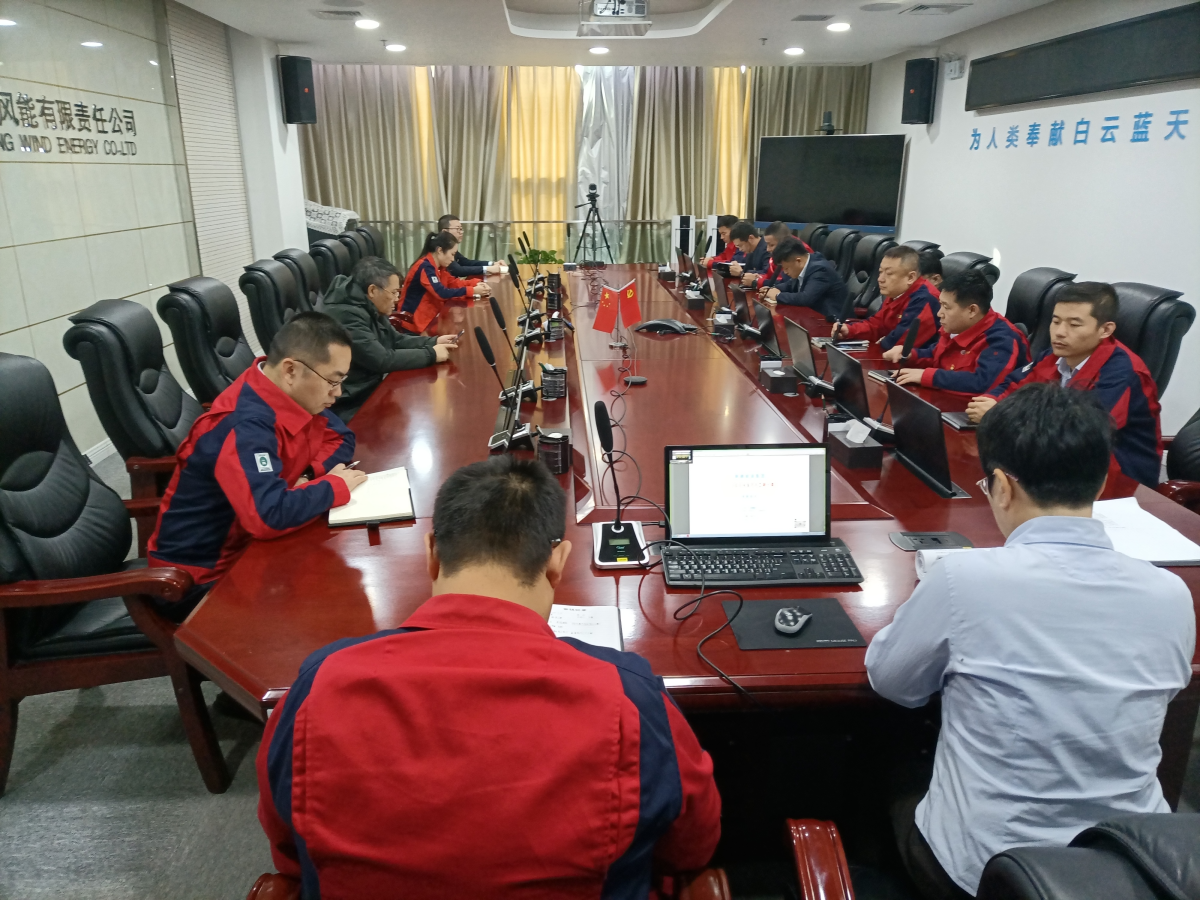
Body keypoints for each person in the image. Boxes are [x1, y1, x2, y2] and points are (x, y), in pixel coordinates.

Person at [257, 455, 722, 897]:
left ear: (432, 552)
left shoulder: (319, 685)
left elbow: (290, 851)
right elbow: (691, 846)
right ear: (557, 563)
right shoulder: (627, 696)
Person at [866, 383, 1194, 898]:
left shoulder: (963, 579)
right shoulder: (1171, 592)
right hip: (1130, 859)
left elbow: (893, 684)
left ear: (1001, 486)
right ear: (1101, 479)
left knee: (894, 762)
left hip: (991, 868)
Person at [147, 313, 367, 620]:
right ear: (290, 370)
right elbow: (269, 516)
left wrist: (308, 475)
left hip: (249, 548)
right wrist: (333, 487)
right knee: (327, 612)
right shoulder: (245, 426)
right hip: (198, 579)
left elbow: (341, 437)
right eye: (333, 380)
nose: (338, 392)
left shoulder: (291, 393)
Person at [966, 282, 1162, 496]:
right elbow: (1011, 384)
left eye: (1074, 325)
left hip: (1114, 482)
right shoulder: (1054, 355)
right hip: (1051, 463)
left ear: (1105, 330)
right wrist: (990, 402)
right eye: (1056, 321)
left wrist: (999, 415)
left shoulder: (1124, 373)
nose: (1059, 332)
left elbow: (1081, 433)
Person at [322, 256, 460, 421]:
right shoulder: (346, 315)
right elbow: (381, 360)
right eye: (394, 293)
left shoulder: (366, 303)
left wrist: (434, 341)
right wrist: (431, 354)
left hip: (371, 384)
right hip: (352, 399)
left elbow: (396, 340)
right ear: (373, 291)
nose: (397, 299)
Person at [895, 269, 1028, 395]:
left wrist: (928, 376)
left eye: (946, 307)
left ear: (972, 310)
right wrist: (910, 355)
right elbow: (937, 354)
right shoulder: (957, 326)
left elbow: (982, 383)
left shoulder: (1003, 340)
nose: (939, 313)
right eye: (940, 304)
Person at [835, 245, 940, 354]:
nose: (880, 279)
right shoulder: (897, 291)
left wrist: (879, 344)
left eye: (889, 273)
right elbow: (878, 324)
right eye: (880, 272)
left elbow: (899, 343)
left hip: (913, 362)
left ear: (910, 277)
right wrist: (849, 330)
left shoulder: (925, 299)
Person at [395, 231, 490, 335]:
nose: (453, 259)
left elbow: (452, 283)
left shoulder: (439, 267)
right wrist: (472, 291)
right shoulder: (425, 267)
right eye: (452, 254)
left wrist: (475, 283)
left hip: (429, 320)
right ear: (440, 250)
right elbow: (441, 293)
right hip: (412, 324)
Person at [761, 237, 847, 320]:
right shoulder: (805, 263)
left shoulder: (820, 270)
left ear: (798, 261)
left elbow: (805, 298)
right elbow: (790, 284)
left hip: (831, 321)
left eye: (786, 268)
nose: (785, 272)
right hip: (812, 317)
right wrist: (770, 290)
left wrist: (777, 295)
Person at [438, 214, 504, 278]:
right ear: (444, 231)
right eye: (457, 229)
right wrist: (488, 269)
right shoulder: (440, 247)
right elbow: (458, 270)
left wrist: (492, 264)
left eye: (461, 229)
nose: (461, 232)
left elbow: (466, 262)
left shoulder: (450, 246)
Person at [744, 220, 795, 289]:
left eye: (771, 245)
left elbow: (786, 284)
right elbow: (770, 274)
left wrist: (757, 282)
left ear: (784, 242)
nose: (767, 249)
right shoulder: (777, 255)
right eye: (767, 244)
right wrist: (759, 277)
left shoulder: (793, 255)